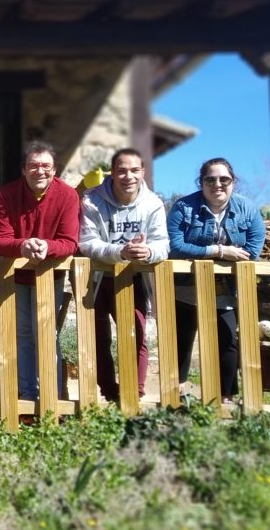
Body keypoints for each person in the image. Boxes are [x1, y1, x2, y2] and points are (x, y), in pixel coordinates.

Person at [168, 157, 265, 401]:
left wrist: (203, 254)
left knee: (227, 340)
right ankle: (176, 392)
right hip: (185, 288)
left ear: (233, 182)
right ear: (201, 182)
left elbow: (252, 249)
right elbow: (174, 245)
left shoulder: (247, 209)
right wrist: (220, 251)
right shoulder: (183, 207)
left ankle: (226, 396)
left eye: (224, 179)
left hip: (225, 290)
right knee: (181, 340)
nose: (217, 184)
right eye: (210, 179)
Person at [78, 148, 169, 401]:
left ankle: (134, 394)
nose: (128, 176)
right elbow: (86, 242)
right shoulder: (91, 200)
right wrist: (121, 251)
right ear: (112, 173)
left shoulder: (153, 204)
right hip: (96, 280)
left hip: (134, 279)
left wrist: (147, 250)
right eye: (121, 170)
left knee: (136, 335)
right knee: (98, 338)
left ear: (143, 172)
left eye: (134, 170)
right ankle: (109, 392)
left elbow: (163, 244)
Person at [0, 141, 79, 402]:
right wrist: (22, 245)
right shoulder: (6, 195)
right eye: (33, 165)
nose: (39, 171)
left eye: (46, 166)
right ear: (23, 170)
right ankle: (28, 397)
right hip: (15, 277)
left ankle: (52, 398)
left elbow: (70, 242)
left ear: (55, 170)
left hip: (48, 275)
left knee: (46, 334)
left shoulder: (68, 196)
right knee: (22, 335)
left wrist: (47, 246)